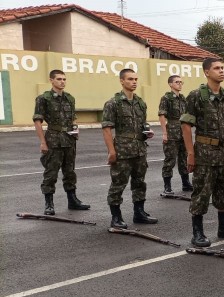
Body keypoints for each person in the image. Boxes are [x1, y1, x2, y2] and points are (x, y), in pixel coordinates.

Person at [180, 58, 224, 248]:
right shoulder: (196, 96)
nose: (221, 71)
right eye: (217, 68)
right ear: (207, 72)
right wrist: (190, 154)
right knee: (201, 191)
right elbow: (185, 125)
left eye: (222, 68)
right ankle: (197, 232)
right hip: (205, 153)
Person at [101, 69, 157, 228]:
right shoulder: (113, 103)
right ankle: (116, 217)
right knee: (118, 184)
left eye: (136, 79)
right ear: (122, 81)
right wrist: (111, 151)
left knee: (140, 182)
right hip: (122, 150)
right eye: (130, 79)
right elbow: (107, 129)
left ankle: (139, 213)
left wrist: (147, 133)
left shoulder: (140, 103)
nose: (134, 82)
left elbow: (142, 126)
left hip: (139, 149)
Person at [33, 69, 90, 215]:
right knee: (51, 173)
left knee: (70, 172)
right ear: (51, 80)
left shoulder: (69, 98)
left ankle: (72, 200)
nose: (62, 82)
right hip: (53, 139)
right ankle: (49, 204)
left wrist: (76, 130)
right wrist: (42, 142)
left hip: (69, 139)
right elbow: (38, 122)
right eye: (59, 79)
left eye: (64, 79)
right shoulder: (43, 98)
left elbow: (73, 118)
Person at [158, 75, 192, 195]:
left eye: (181, 82)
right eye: (177, 82)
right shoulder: (166, 98)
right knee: (170, 159)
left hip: (183, 132)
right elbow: (162, 115)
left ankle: (186, 183)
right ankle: (167, 186)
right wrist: (164, 133)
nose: (180, 84)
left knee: (184, 158)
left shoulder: (183, 98)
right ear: (170, 84)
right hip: (172, 131)